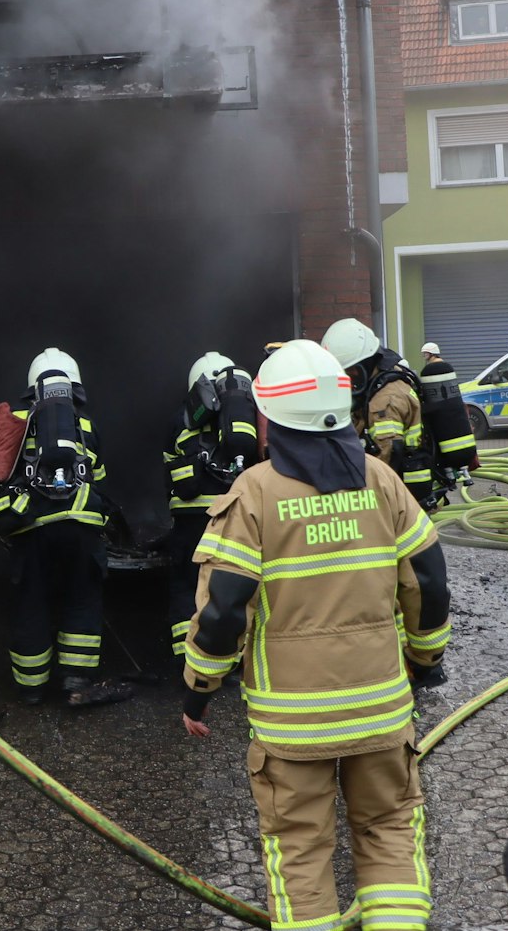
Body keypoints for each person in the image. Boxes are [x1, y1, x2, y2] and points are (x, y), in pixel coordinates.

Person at [180, 340, 450, 930]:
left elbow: (224, 612)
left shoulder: (253, 494)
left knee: (299, 846)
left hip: (293, 724)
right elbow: (429, 580)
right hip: (381, 710)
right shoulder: (381, 481)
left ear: (270, 416)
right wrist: (425, 659)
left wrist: (199, 689)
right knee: (389, 829)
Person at [0, 349, 128, 707]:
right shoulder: (86, 425)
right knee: (82, 597)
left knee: (30, 601)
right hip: (81, 525)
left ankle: (31, 687)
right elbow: (99, 480)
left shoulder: (15, 422)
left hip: (31, 526)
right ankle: (76, 678)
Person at [161, 352, 260, 660]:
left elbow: (170, 474)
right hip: (236, 514)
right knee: (234, 585)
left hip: (192, 518)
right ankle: (234, 658)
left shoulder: (181, 420)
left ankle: (187, 658)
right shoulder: (248, 418)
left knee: (186, 585)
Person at [322, 318, 435, 506]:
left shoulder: (385, 402)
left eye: (351, 371)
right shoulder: (384, 375)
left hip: (402, 494)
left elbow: (386, 457)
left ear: (365, 363)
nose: (349, 378)